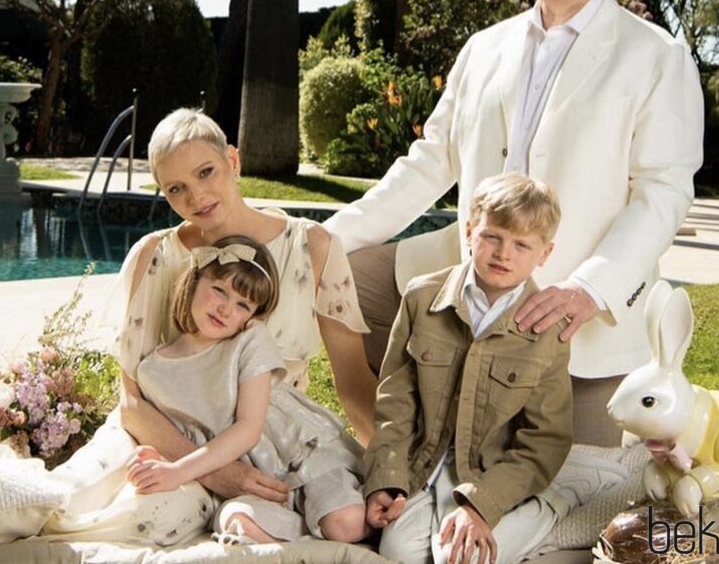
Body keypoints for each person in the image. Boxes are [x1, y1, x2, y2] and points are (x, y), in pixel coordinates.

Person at [327, 0, 704, 445]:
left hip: (581, 322)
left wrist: (588, 290)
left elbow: (663, 194)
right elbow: (432, 160)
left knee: (579, 502)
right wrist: (331, 236)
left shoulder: (657, 55)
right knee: (343, 276)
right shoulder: (484, 48)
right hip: (474, 282)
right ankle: (386, 444)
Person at [44, 108, 377, 550]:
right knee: (63, 501)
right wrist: (212, 469)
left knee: (129, 521)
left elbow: (353, 384)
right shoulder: (154, 256)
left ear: (233, 162)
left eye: (206, 172)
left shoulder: (311, 247)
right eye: (176, 188)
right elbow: (130, 401)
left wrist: (390, 476)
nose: (197, 196)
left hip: (275, 446)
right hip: (163, 438)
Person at [366, 175, 572, 564]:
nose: (503, 254)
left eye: (522, 245)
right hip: (426, 468)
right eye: (492, 236)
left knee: (456, 559)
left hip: (494, 474)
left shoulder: (550, 330)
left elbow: (545, 440)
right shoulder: (421, 298)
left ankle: (551, 508)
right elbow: (395, 404)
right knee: (394, 552)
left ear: (544, 253)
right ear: (469, 231)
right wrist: (386, 479)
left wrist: (481, 507)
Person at [126, 235, 368, 546]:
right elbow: (179, 434)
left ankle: (336, 519)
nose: (226, 310)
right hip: (252, 482)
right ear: (195, 279)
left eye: (243, 304)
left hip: (300, 453)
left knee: (344, 525)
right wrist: (156, 456)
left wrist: (177, 472)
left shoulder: (250, 339)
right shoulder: (153, 372)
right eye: (219, 290)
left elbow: (248, 429)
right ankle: (307, 536)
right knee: (235, 521)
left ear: (252, 315)